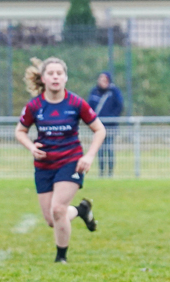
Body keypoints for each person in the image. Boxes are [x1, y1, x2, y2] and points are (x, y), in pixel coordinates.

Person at [15, 57, 104, 263]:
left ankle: (61, 258)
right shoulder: (34, 106)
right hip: (44, 166)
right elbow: (20, 131)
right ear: (43, 78)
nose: (55, 77)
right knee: (51, 219)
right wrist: (31, 146)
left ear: (65, 78)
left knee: (58, 210)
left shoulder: (76, 103)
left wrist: (89, 156)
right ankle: (81, 211)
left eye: (59, 73)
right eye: (51, 73)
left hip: (71, 161)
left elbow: (99, 129)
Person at [87, 71, 123, 177]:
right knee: (100, 150)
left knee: (110, 149)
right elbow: (90, 107)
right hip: (98, 126)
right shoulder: (94, 92)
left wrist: (113, 118)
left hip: (110, 126)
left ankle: (110, 173)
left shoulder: (114, 92)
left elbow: (119, 106)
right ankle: (101, 172)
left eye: (105, 80)